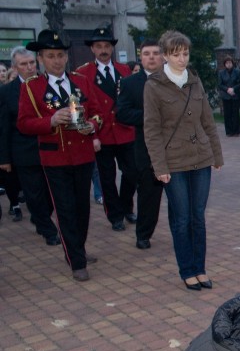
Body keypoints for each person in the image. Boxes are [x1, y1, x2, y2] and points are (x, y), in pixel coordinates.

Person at [17, 30, 103, 281]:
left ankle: (77, 248)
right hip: (54, 158)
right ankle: (76, 260)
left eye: (60, 55)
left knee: (82, 208)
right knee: (64, 208)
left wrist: (92, 126)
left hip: (83, 154)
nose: (56, 60)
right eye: (50, 56)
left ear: (66, 57)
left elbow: (98, 113)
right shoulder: (32, 88)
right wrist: (51, 120)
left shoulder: (81, 81)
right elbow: (24, 123)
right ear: (41, 59)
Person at [144, 30, 223, 290]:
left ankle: (200, 268)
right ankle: (187, 270)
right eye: (176, 54)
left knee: (198, 217)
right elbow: (152, 130)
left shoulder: (194, 81)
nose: (182, 59)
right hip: (173, 162)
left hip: (200, 158)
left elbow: (207, 121)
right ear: (165, 56)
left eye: (185, 53)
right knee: (182, 218)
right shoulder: (154, 85)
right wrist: (159, 166)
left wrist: (216, 154)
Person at [76, 26, 138, 232]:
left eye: (107, 46)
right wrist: (92, 135)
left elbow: (129, 100)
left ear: (112, 48)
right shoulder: (84, 73)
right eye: (99, 46)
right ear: (92, 49)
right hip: (102, 134)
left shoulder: (124, 70)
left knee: (131, 173)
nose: (103, 50)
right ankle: (115, 215)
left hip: (124, 130)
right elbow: (83, 107)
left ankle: (127, 206)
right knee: (107, 178)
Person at [0, 46, 59, 242]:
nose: (29, 67)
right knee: (33, 194)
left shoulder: (48, 84)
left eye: (32, 63)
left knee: (51, 193)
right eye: (23, 64)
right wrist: (5, 158)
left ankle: (40, 217)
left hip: (50, 147)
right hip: (24, 152)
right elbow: (4, 128)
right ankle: (48, 231)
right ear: (14, 67)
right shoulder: (7, 92)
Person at [116, 39, 164, 250]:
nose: (151, 57)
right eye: (147, 53)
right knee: (149, 194)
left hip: (175, 147)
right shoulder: (129, 83)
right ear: (141, 57)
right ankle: (143, 234)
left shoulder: (173, 80)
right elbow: (122, 113)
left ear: (163, 57)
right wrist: (150, 116)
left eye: (155, 53)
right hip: (146, 148)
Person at [217, 56, 240, 137]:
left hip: (235, 95)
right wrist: (227, 89)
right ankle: (229, 131)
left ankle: (236, 131)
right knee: (227, 114)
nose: (228, 64)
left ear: (232, 63)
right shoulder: (221, 73)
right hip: (226, 96)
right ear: (225, 64)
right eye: (227, 63)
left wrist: (233, 89)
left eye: (230, 63)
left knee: (235, 114)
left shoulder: (237, 72)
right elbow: (220, 84)